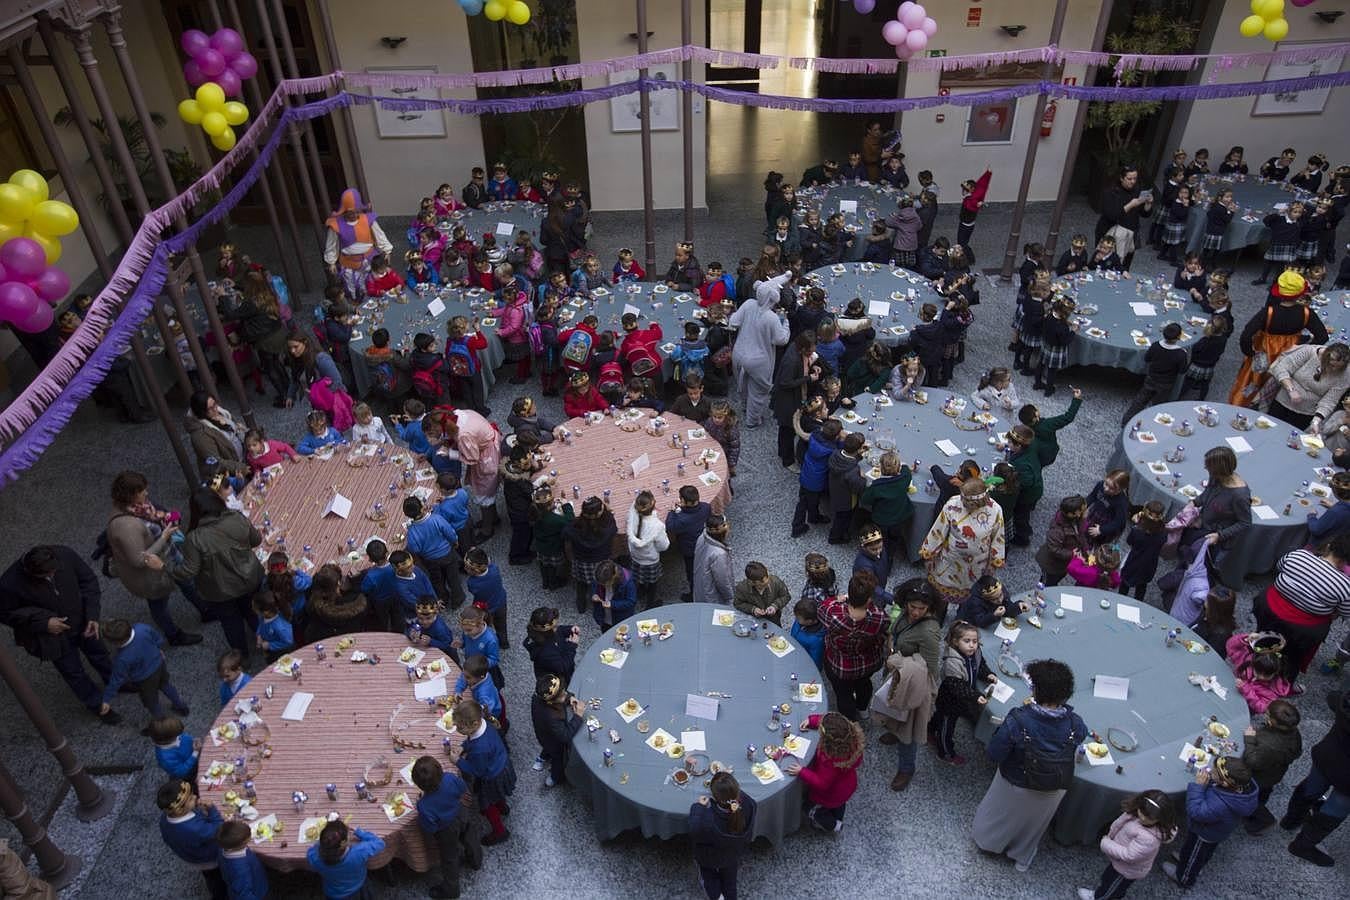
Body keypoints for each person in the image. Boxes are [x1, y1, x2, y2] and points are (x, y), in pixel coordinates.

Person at [972, 658, 1088, 872]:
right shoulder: (1075, 723)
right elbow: (1081, 736)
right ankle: (1022, 856)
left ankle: (989, 843)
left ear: (1036, 691)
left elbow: (995, 752)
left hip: (1017, 781)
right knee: (1034, 826)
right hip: (1054, 786)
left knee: (1000, 815)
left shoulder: (1019, 720)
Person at [0, 546, 113, 724]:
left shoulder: (65, 555)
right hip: (52, 637)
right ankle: (97, 705)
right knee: (74, 673)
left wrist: (92, 616)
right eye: (45, 576)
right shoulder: (8, 584)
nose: (51, 577)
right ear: (30, 571)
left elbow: (88, 582)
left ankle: (115, 682)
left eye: (53, 572)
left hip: (83, 621)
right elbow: (6, 614)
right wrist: (44, 624)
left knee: (99, 653)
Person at [151, 488, 261, 657]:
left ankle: (242, 658)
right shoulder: (236, 518)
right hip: (249, 578)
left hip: (220, 591)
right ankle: (268, 644)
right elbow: (256, 540)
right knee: (253, 612)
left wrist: (164, 567)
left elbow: (189, 570)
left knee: (231, 624)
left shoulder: (195, 538)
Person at [878, 578, 941, 790]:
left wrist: (897, 660)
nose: (915, 612)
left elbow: (930, 669)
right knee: (894, 713)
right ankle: (894, 731)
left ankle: (907, 767)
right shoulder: (906, 615)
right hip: (896, 674)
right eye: (912, 606)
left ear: (929, 608)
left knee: (909, 732)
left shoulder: (928, 632)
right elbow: (895, 632)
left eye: (921, 608)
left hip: (912, 687)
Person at [1229, 271, 1324, 408]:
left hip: (1264, 353)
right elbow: (1322, 336)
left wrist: (1249, 352)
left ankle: (1244, 406)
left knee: (1252, 382)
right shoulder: (1306, 313)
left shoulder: (1268, 312)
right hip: (1290, 355)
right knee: (1279, 384)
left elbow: (1246, 334)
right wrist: (1302, 350)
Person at [1161, 756, 1258, 887]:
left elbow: (1196, 812)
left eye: (1214, 772)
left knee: (1195, 853)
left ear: (1224, 783)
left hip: (1204, 834)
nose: (1210, 771)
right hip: (1216, 832)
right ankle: (1189, 860)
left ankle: (1184, 877)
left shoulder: (1220, 805)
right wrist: (1214, 779)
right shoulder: (1240, 787)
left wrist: (1198, 787)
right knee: (1202, 852)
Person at [1279, 689, 1350, 866]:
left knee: (1311, 788)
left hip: (1328, 754)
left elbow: (1332, 697)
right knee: (1335, 810)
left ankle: (1290, 820)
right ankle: (1302, 845)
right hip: (1347, 779)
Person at [919, 479, 1006, 608]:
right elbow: (939, 529)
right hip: (950, 562)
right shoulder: (953, 505)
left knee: (970, 600)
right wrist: (929, 553)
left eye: (968, 502)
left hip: (977, 565)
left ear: (978, 501)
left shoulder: (995, 510)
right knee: (939, 599)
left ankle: (962, 618)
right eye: (962, 498)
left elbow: (998, 537)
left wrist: (994, 562)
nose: (963, 503)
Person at [1076, 791, 1177, 900]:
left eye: (1149, 818)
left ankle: (1098, 897)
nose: (1143, 818)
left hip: (1127, 869)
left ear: (1160, 818)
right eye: (1142, 812)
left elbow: (1129, 855)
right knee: (1110, 881)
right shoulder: (1139, 817)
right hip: (1122, 864)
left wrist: (1106, 844)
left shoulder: (1148, 839)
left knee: (1111, 886)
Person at [817, 572, 886, 721]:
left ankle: (849, 720)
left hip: (840, 665)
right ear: (869, 599)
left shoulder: (832, 613)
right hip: (868, 662)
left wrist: (837, 599)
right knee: (865, 685)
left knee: (843, 693)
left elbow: (821, 608)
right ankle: (863, 709)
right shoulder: (879, 617)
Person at [729, 270, 791, 428]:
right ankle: (752, 421)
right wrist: (785, 324)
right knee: (758, 392)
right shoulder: (771, 317)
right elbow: (781, 340)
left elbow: (734, 322)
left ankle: (744, 407)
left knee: (742, 384)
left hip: (739, 353)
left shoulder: (749, 304)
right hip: (759, 360)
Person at [450, 699, 515, 846]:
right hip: (501, 765)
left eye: (460, 727)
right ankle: (502, 806)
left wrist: (458, 761)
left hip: (492, 777)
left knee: (486, 805)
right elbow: (471, 739)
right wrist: (463, 746)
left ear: (474, 724)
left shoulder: (480, 749)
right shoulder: (485, 723)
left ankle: (499, 831)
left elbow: (476, 771)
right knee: (498, 794)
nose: (457, 730)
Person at [931, 621, 997, 766]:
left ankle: (930, 730)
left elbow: (980, 665)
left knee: (939, 718)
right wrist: (975, 696)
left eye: (975, 641)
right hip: (950, 702)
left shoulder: (975, 652)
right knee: (947, 727)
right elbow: (957, 686)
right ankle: (945, 753)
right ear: (955, 641)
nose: (972, 645)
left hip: (961, 700)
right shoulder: (952, 662)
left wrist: (988, 675)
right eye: (967, 641)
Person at [1177, 446, 1251, 568]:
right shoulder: (1217, 477)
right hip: (1202, 525)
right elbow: (1208, 493)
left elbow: (1245, 522)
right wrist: (1194, 503)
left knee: (1200, 567)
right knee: (1186, 557)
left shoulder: (1240, 496)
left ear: (1219, 469)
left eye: (1209, 466)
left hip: (1215, 537)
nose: (1205, 468)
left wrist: (1220, 535)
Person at [689, 771, 757, 900]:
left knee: (708, 877)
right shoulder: (749, 804)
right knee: (730, 880)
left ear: (715, 797)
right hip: (733, 854)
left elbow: (694, 830)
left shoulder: (708, 820)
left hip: (709, 857)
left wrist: (698, 807)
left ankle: (717, 897)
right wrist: (729, 787)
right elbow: (745, 800)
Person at [1241, 698, 1303, 835]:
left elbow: (1253, 761)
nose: (1265, 714)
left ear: (1274, 721)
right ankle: (1258, 805)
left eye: (1268, 714)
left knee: (1247, 796)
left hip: (1259, 776)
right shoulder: (1294, 732)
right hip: (1274, 773)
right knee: (1263, 792)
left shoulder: (1270, 745)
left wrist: (1250, 740)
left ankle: (1264, 820)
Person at [156, 779, 226, 899]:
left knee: (209, 876)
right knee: (218, 880)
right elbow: (218, 828)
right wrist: (212, 809)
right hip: (209, 859)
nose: (195, 797)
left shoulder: (165, 818)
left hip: (190, 855)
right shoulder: (194, 829)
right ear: (180, 810)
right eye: (190, 799)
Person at [324, 188, 392, 301]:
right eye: (351, 212)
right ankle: (356, 303)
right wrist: (331, 262)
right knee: (352, 287)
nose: (354, 214)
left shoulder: (368, 220)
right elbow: (332, 245)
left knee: (375, 283)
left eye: (356, 211)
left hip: (370, 260)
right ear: (344, 211)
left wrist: (387, 251)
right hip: (349, 263)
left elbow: (380, 236)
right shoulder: (335, 225)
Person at [1266, 342, 1350, 431]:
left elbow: (1330, 401)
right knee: (1268, 429)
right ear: (1325, 357)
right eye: (1332, 365)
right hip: (1282, 401)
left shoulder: (1346, 374)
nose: (1334, 369)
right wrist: (1291, 389)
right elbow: (1282, 368)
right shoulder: (1309, 351)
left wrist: (1316, 421)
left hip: (1305, 413)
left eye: (1339, 367)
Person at [1120, 324, 1189, 425]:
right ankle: (1153, 424)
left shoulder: (1155, 345)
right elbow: (1182, 370)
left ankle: (1125, 421)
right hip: (1166, 383)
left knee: (1140, 401)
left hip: (1151, 378)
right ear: (1179, 337)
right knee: (1158, 405)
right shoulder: (1181, 354)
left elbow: (1147, 358)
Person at [404, 495, 464, 609]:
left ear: (407, 515)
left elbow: (415, 549)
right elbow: (449, 531)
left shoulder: (412, 531)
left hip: (430, 559)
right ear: (422, 507)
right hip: (447, 553)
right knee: (453, 577)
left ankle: (443, 598)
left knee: (437, 580)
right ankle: (458, 598)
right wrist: (455, 541)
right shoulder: (436, 519)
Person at [562, 496, 617, 614]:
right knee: (602, 584)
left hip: (582, 562)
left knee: (581, 583)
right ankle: (602, 604)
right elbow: (614, 530)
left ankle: (581, 604)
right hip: (602, 562)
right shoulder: (607, 525)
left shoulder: (575, 526)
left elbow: (565, 533)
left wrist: (567, 509)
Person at [530, 674, 585, 790]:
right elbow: (565, 735)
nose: (565, 694)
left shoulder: (538, 697)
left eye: (564, 691)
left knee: (546, 746)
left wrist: (569, 698)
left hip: (542, 733)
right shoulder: (553, 717)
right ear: (551, 702)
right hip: (554, 741)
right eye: (562, 695)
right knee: (558, 759)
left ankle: (542, 758)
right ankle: (554, 777)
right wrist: (578, 716)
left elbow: (559, 696)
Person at [307, 819, 386, 899]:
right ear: (346, 842)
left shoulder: (315, 858)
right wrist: (359, 832)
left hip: (333, 893)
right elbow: (380, 843)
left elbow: (310, 851)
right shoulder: (359, 852)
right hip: (358, 887)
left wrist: (323, 843)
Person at [1094, 166, 1154, 270]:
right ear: (1122, 178)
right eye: (1129, 179)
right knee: (1103, 263)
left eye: (1135, 178)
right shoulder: (1110, 192)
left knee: (1123, 266)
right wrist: (1130, 205)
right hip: (1110, 233)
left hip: (1130, 234)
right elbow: (1111, 215)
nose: (1132, 182)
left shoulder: (1137, 190)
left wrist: (1148, 204)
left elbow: (1144, 214)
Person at [184, 391, 249, 476]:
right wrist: (241, 468)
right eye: (210, 408)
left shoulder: (222, 413)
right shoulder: (200, 435)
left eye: (215, 404)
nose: (215, 409)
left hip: (243, 459)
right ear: (201, 412)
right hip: (227, 474)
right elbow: (216, 462)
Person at [667, 486, 711, 602]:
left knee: (691, 573)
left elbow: (670, 527)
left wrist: (672, 511)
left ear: (685, 501)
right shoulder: (706, 507)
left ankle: (693, 595)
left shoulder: (682, 519)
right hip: (704, 544)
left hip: (690, 549)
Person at [1035, 495, 1088, 587]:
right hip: (1052, 565)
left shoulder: (1078, 519)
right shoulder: (1057, 531)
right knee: (1047, 584)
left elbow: (1081, 535)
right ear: (1074, 513)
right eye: (1083, 509)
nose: (1086, 511)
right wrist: (1072, 554)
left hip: (1064, 563)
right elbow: (1054, 549)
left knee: (1057, 578)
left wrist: (1085, 550)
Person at [1118, 501, 1166, 603]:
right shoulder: (1163, 533)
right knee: (1142, 586)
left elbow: (1129, 541)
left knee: (1125, 584)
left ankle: (1120, 601)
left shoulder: (1137, 531)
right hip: (1149, 565)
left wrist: (1136, 524)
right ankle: (1139, 603)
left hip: (1133, 562)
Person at [216, 819, 268, 900]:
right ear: (242, 843)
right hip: (256, 891)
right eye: (249, 838)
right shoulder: (240, 869)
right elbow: (243, 895)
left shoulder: (223, 847)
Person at [524, 607, 579, 683]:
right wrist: (571, 646)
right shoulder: (544, 652)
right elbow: (563, 667)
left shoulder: (547, 633)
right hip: (557, 682)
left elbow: (559, 630)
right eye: (555, 627)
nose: (557, 627)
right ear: (547, 632)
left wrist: (569, 629)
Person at [693, 515, 734, 607]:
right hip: (712, 595)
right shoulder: (719, 554)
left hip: (701, 586)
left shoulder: (702, 537)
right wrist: (730, 597)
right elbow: (722, 580)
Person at [732, 561, 789, 626]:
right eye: (762, 584)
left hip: (774, 620)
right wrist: (753, 609)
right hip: (753, 620)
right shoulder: (742, 588)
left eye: (767, 578)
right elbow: (738, 603)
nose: (767, 582)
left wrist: (775, 606)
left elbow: (786, 596)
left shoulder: (776, 582)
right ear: (751, 582)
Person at [956, 170, 992, 248]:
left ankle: (968, 257)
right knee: (963, 241)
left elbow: (972, 205)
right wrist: (987, 174)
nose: (963, 191)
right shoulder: (972, 196)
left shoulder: (971, 199)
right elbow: (982, 183)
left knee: (962, 243)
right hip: (967, 223)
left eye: (965, 190)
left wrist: (977, 204)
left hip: (966, 224)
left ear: (972, 189)